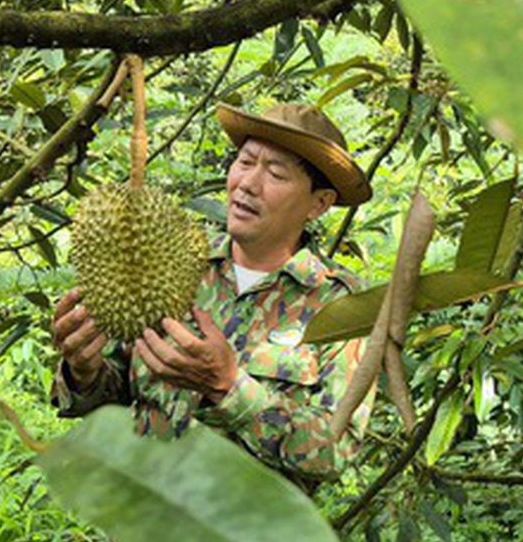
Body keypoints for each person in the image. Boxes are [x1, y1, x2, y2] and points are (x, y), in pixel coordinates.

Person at [50, 102, 374, 486]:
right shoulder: (175, 262)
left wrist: (230, 386)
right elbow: (114, 391)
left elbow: (335, 452)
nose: (248, 183)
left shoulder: (341, 304)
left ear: (319, 203)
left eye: (275, 173)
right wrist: (83, 372)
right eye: (245, 162)